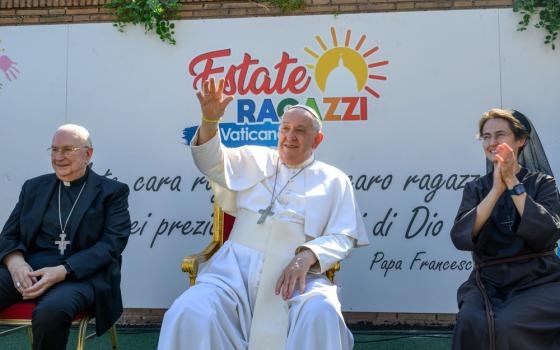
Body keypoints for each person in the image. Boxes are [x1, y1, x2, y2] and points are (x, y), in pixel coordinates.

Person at [158, 78, 369, 350]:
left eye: (300, 131)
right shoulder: (255, 158)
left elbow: (344, 236)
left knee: (322, 311)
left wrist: (308, 256)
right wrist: (210, 121)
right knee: (189, 310)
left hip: (297, 276)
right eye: (285, 128)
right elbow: (210, 162)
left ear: (317, 139)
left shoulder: (334, 179)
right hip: (234, 273)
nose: (290, 136)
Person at [0, 124, 131, 350]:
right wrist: (16, 264)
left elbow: (112, 244)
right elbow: (9, 236)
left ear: (88, 154)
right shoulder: (33, 187)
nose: (59, 157)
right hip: (29, 270)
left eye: (68, 149)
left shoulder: (112, 192)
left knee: (51, 313)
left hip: (80, 276)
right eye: (54, 149)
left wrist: (62, 271)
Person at [450, 108, 560, 350]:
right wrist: (496, 191)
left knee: (510, 323)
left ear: (520, 141)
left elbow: (547, 232)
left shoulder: (543, 184)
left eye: (500, 135)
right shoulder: (475, 188)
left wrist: (512, 182)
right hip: (488, 281)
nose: (492, 143)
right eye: (486, 136)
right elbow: (460, 237)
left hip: (538, 278)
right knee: (472, 320)